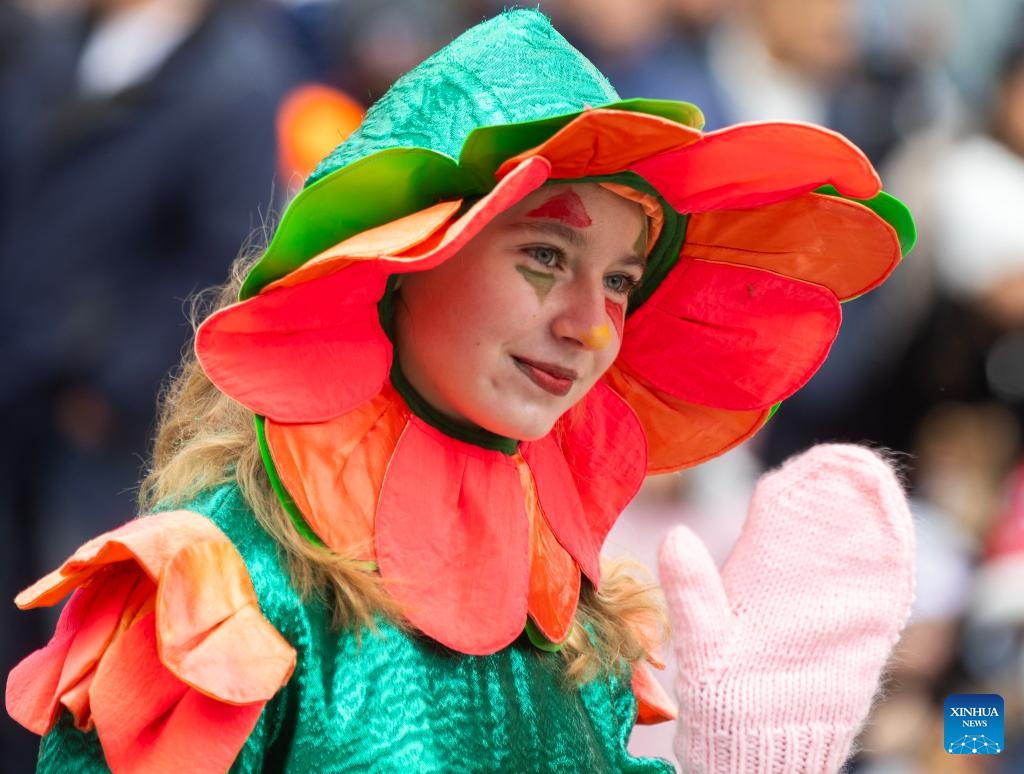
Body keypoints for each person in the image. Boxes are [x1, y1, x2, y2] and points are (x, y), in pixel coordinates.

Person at [5, 9, 916, 773]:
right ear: (403, 264)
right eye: (545, 256)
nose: (590, 325)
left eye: (620, 282)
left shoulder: (580, 625)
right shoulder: (217, 596)